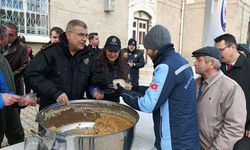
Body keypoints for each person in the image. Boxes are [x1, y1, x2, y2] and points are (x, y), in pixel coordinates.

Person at [115, 25, 199, 149]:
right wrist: (135, 88)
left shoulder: (165, 67)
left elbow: (148, 104)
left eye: (148, 49)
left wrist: (122, 92)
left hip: (173, 142)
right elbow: (164, 91)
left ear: (155, 48)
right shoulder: (180, 61)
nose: (147, 53)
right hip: (186, 136)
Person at [24, 19, 100, 111]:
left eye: (86, 35)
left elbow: (93, 78)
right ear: (68, 35)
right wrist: (55, 92)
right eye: (81, 35)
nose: (84, 39)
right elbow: (31, 75)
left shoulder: (87, 56)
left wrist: (95, 90)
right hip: (51, 109)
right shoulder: (50, 53)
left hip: (75, 110)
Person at [192, 46, 246, 150]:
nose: (195, 63)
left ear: (211, 63)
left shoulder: (231, 88)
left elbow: (234, 127)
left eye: (199, 60)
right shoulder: (195, 84)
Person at [214, 34, 250, 149]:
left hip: (243, 131)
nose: (218, 54)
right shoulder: (218, 68)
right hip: (220, 129)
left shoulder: (248, 66)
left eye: (221, 50)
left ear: (233, 48)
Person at [88, 35, 129, 103]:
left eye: (115, 51)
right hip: (97, 103)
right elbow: (89, 83)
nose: (112, 54)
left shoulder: (123, 66)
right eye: (110, 51)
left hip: (114, 103)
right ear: (105, 50)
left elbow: (123, 87)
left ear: (119, 52)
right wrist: (93, 92)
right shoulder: (95, 63)